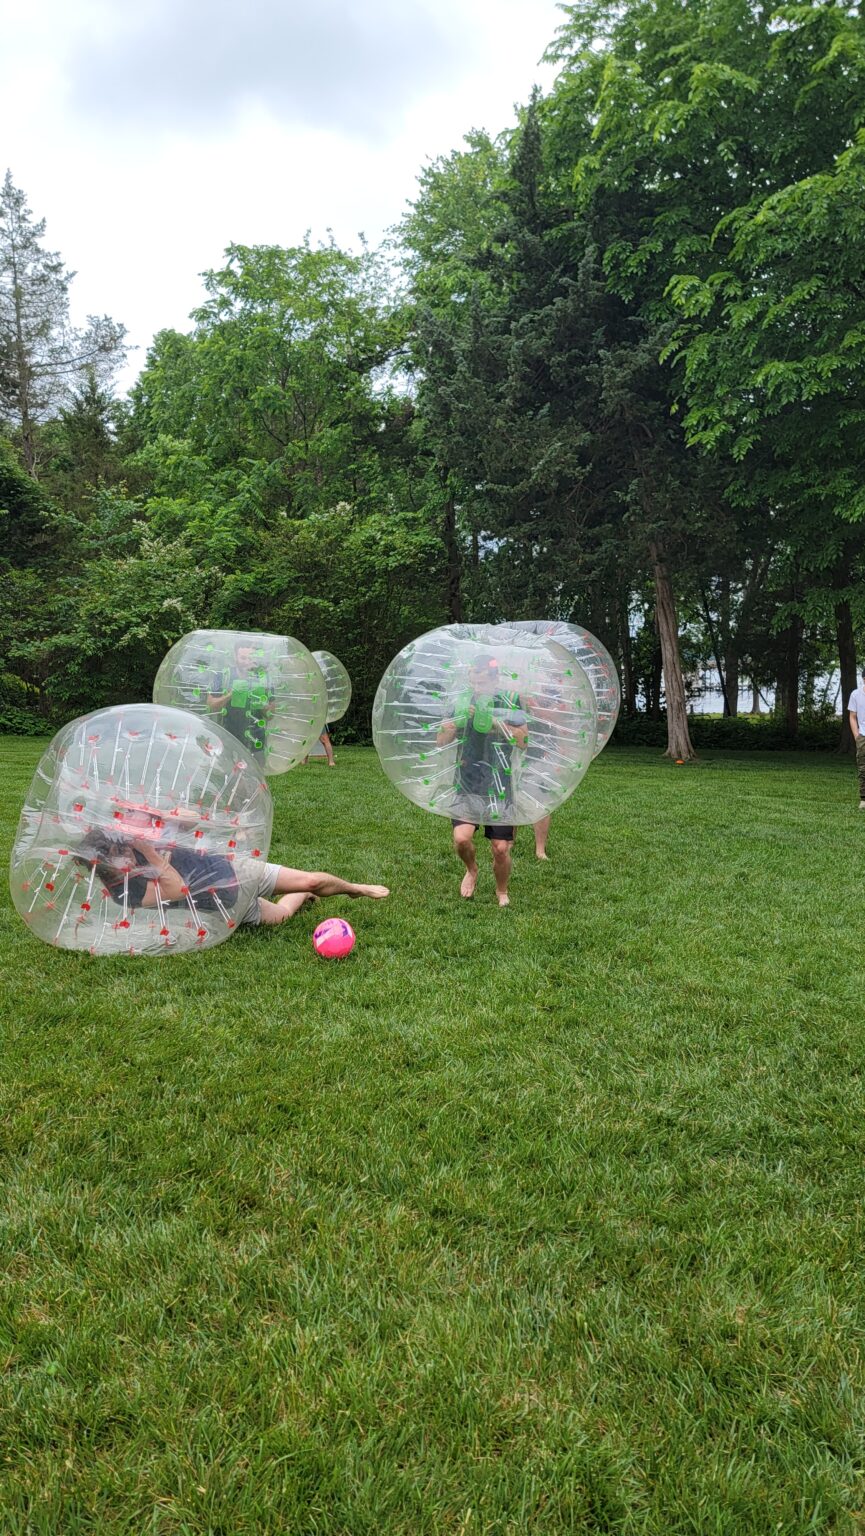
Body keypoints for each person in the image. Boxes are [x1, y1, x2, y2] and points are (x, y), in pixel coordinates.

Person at [76, 816, 389, 930]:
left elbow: (191, 820)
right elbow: (174, 890)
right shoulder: (124, 892)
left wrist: (156, 817)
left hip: (233, 869)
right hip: (224, 905)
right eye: (118, 855)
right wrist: (148, 853)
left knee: (312, 879)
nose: (125, 854)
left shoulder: (144, 835)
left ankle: (355, 888)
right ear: (104, 867)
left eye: (122, 847)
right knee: (281, 916)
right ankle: (302, 896)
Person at [437, 655, 527, 906]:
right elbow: (440, 741)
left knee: (500, 848)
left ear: (495, 679)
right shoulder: (461, 701)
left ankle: (501, 890)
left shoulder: (509, 701)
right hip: (467, 779)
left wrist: (495, 723)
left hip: (498, 782)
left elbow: (523, 741)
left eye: (483, 683)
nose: (478, 688)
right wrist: (457, 722)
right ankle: (472, 869)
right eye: (474, 683)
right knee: (461, 839)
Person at [207, 641, 274, 763]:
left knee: (255, 778)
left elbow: (271, 715)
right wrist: (229, 695)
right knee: (229, 776)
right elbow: (211, 706)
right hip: (228, 737)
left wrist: (261, 700)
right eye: (243, 658)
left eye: (250, 658)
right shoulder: (223, 676)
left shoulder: (263, 679)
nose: (247, 662)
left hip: (256, 739)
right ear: (235, 656)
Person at [848, 668, 865, 807]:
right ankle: (864, 799)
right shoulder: (855, 695)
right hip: (863, 736)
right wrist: (856, 736)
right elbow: (852, 716)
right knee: (863, 768)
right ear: (863, 679)